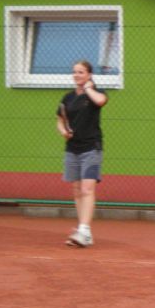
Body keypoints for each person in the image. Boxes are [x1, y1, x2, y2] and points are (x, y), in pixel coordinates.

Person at [56, 60, 108, 248]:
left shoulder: (96, 93)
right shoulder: (67, 98)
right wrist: (63, 131)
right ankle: (83, 231)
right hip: (72, 148)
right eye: (75, 72)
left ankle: (84, 230)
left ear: (89, 75)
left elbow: (101, 101)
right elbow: (60, 120)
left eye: (81, 72)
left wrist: (88, 89)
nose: (76, 75)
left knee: (87, 189)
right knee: (77, 190)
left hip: (91, 147)